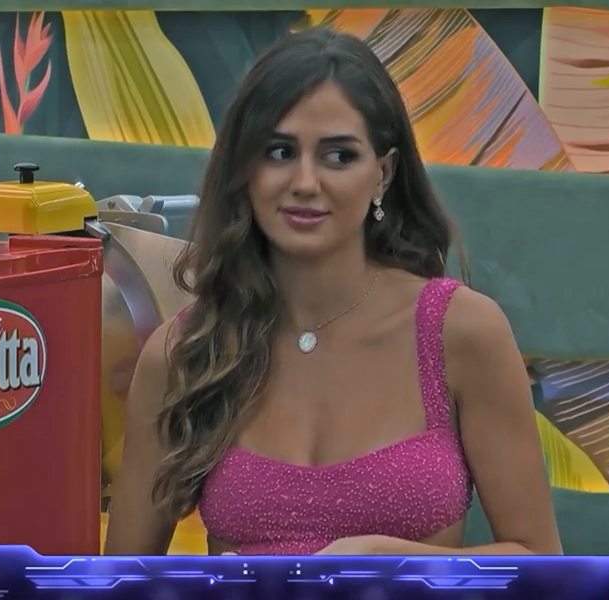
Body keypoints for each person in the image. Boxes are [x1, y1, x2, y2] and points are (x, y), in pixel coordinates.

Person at [105, 28, 561, 555]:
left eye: (338, 156)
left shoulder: (460, 332)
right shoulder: (184, 353)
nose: (305, 182)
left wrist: (391, 560)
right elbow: (124, 579)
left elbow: (541, 566)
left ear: (383, 173)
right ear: (245, 169)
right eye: (279, 152)